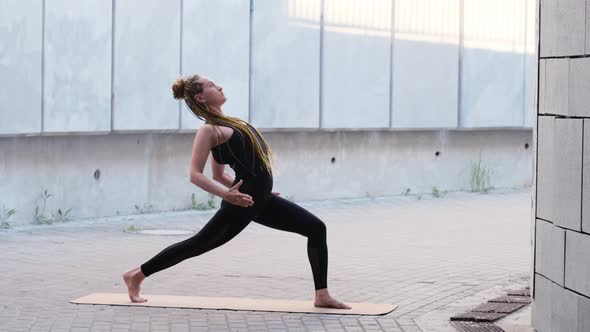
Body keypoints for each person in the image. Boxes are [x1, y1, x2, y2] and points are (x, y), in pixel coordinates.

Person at [122, 75, 350, 309]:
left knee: (316, 228)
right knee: (198, 244)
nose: (219, 86)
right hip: (241, 203)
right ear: (200, 97)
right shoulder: (208, 131)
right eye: (211, 85)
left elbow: (220, 174)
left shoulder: (232, 123)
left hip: (257, 199)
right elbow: (195, 174)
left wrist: (263, 193)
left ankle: (322, 295)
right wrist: (227, 195)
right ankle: (136, 275)